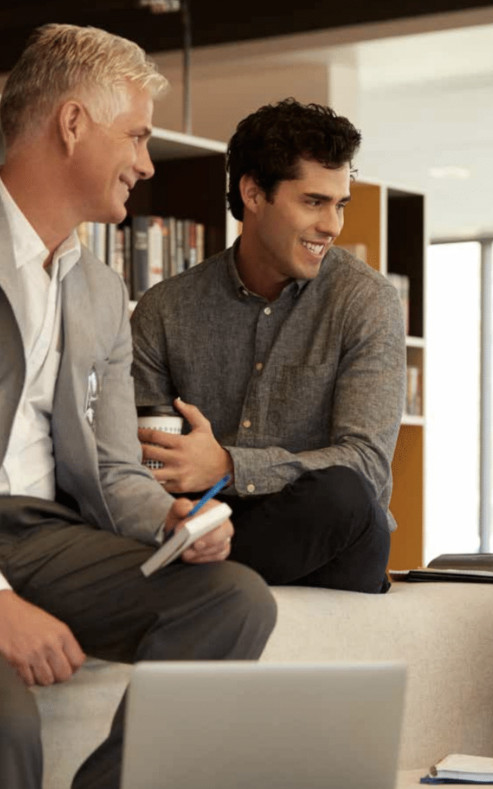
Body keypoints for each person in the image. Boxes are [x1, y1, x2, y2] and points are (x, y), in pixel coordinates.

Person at [0, 24, 277, 789]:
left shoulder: (100, 288)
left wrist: (168, 518)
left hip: (46, 537)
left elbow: (117, 465)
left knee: (233, 601)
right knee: (7, 720)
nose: (147, 164)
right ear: (72, 123)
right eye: (137, 136)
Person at [131, 99, 406, 594]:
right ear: (254, 194)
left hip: (334, 537)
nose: (333, 226)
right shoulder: (164, 310)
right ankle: (203, 576)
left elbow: (366, 462)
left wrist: (230, 466)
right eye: (313, 202)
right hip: (216, 523)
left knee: (346, 493)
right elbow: (148, 465)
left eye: (339, 204)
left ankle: (194, 586)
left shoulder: (366, 300)